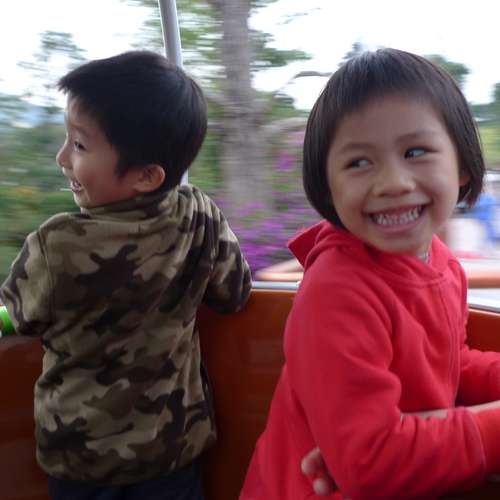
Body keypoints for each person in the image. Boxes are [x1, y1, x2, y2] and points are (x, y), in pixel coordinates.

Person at [240, 48, 500, 500]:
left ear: (461, 165)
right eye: (359, 162)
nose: (393, 183)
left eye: (415, 152)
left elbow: (449, 366)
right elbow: (372, 460)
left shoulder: (442, 263)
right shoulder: (337, 291)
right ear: (328, 186)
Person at [0, 50, 251, 500]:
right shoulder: (200, 215)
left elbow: (20, 317)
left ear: (147, 176)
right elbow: (234, 293)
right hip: (172, 453)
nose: (61, 158)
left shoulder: (57, 244)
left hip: (81, 460)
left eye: (79, 145)